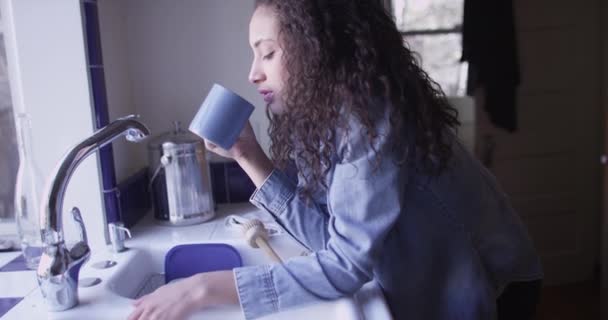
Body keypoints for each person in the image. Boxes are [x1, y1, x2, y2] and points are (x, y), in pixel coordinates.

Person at [128, 1, 543, 319]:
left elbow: (345, 266)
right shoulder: (328, 121)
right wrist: (247, 154)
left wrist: (202, 289)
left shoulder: (372, 117)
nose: (253, 72)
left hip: (492, 284)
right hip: (434, 280)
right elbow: (333, 241)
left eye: (267, 52)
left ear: (316, 48)